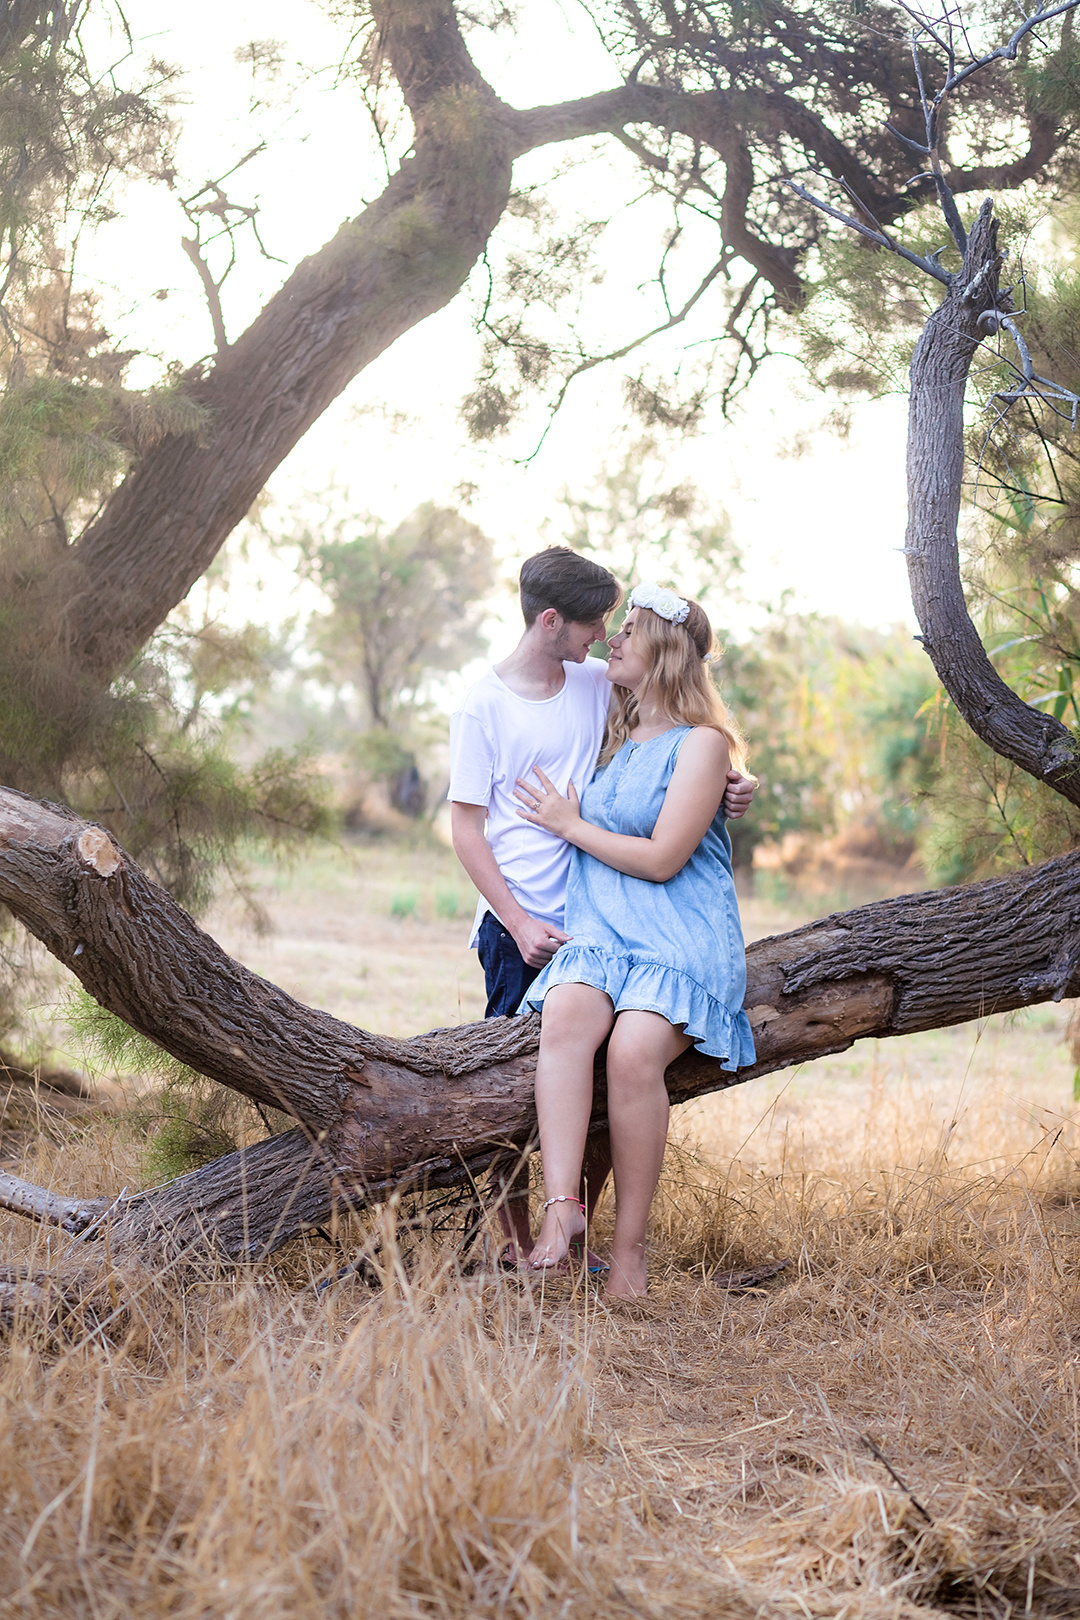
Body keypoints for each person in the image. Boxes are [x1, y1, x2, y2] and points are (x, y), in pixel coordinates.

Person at [449, 550, 755, 1265]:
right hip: (525, 926)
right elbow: (465, 828)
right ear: (552, 621)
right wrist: (518, 922)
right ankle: (526, 1243)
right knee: (510, 1088)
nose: (606, 636)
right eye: (596, 625)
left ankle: (597, 1245)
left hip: (619, 923)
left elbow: (688, 747)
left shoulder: (598, 687)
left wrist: (733, 788)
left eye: (622, 627)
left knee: (613, 1068)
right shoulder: (486, 705)